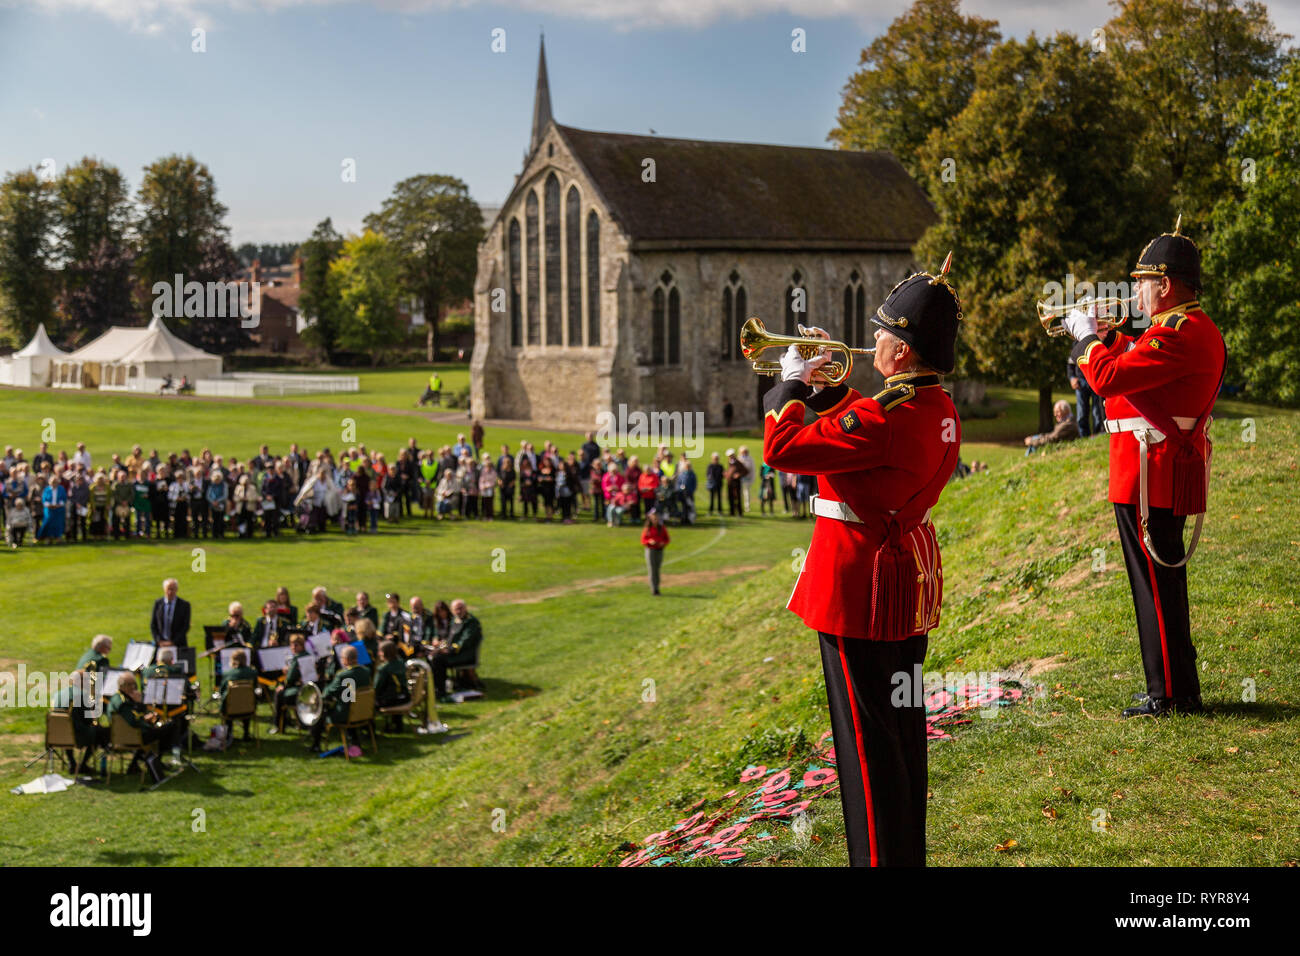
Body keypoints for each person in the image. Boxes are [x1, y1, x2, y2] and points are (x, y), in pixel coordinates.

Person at [762, 258, 962, 867]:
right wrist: (831, 389)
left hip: (857, 588)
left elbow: (781, 447)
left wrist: (789, 385)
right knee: (900, 736)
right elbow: (865, 435)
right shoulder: (937, 409)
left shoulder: (883, 418)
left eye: (882, 331)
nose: (871, 339)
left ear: (901, 351)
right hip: (902, 584)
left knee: (866, 745)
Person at [1063, 221, 1225, 718]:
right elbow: (1133, 381)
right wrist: (1108, 339)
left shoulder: (1177, 333)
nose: (1135, 291)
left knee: (1155, 585)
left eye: (1142, 281)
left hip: (1150, 471)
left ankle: (1170, 693)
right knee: (1157, 584)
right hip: (1145, 468)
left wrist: (1086, 338)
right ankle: (1173, 686)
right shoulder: (1174, 330)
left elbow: (1108, 381)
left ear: (1167, 285)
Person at [109, 672, 185, 771]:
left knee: (161, 729)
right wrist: (140, 706)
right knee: (171, 727)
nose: (134, 688)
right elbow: (134, 721)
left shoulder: (116, 698)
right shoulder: (124, 703)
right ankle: (156, 761)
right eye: (131, 685)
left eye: (134, 685)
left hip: (120, 736)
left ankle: (135, 764)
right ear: (123, 686)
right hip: (135, 736)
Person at [310, 645, 371, 752]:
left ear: (346, 660)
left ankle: (316, 744)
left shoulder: (343, 675)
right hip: (364, 712)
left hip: (346, 714)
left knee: (320, 709)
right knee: (349, 702)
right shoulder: (366, 671)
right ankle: (354, 740)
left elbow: (327, 693)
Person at [431, 599, 483, 702]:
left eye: (461, 608)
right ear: (452, 610)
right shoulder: (454, 620)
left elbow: (465, 641)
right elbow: (449, 638)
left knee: (438, 660)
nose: (459, 611)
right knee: (434, 655)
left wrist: (449, 650)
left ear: (465, 608)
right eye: (456, 609)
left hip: (465, 655)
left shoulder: (471, 622)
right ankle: (436, 688)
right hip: (454, 653)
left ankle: (441, 691)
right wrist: (442, 645)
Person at [271, 633, 311, 733]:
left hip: (300, 691)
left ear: (302, 646)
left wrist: (283, 684)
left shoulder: (297, 658)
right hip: (308, 689)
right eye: (291, 644)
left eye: (296, 645)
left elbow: (290, 679)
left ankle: (279, 725)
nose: (293, 647)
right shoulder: (308, 655)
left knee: (279, 694)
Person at [219, 649, 258, 742]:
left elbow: (221, 690)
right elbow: (255, 687)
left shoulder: (228, 674)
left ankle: (229, 733)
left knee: (230, 700)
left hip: (230, 709)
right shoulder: (252, 673)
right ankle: (246, 733)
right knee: (245, 699)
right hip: (249, 708)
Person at [374, 640, 412, 731]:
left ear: (384, 653)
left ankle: (369, 731)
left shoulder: (383, 669)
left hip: (391, 700)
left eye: (380, 651)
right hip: (405, 697)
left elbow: (376, 688)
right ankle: (397, 724)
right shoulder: (401, 662)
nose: (379, 654)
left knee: (370, 701)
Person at [1068, 345, 1103, 437]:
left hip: (1095, 378)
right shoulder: (1076, 343)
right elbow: (1070, 364)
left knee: (1097, 411)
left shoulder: (1096, 339)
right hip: (1080, 381)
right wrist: (1072, 378)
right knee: (1081, 413)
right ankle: (1084, 436)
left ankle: (1097, 434)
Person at [151, 579, 191, 647]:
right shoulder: (158, 604)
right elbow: (153, 624)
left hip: (178, 645)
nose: (170, 592)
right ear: (164, 589)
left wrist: (173, 642)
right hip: (161, 644)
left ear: (176, 589)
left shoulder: (184, 605)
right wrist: (159, 641)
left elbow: (185, 626)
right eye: (168, 589)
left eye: (172, 589)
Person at [641, 510, 670, 595]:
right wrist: (649, 541)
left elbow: (667, 539)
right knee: (652, 570)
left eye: (656, 518)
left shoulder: (662, 528)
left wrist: (663, 543)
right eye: (654, 519)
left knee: (657, 569)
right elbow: (643, 540)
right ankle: (654, 589)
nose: (655, 520)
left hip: (659, 550)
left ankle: (657, 586)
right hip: (651, 550)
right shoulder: (647, 528)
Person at [38, 474, 67, 543]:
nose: (54, 483)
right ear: (50, 482)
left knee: (58, 524)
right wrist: (49, 505)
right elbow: (44, 499)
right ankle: (48, 538)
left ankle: (58, 537)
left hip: (58, 510)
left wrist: (58, 505)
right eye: (53, 482)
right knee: (48, 523)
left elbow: (64, 499)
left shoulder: (61, 489)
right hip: (49, 510)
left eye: (55, 482)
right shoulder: (47, 489)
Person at [724, 450, 747, 517]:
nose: (730, 457)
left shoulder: (738, 463)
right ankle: (732, 512)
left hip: (736, 483)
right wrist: (726, 474)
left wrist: (739, 474)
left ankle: (740, 513)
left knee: (738, 498)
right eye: (729, 456)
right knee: (730, 497)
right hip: (729, 483)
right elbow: (729, 471)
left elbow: (745, 471)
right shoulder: (729, 463)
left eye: (731, 455)